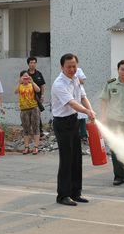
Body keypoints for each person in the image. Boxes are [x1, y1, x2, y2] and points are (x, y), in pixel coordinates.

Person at [51, 54, 96, 206]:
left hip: (74, 120)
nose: (72, 69)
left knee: (77, 158)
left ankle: (76, 192)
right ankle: (63, 195)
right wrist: (87, 112)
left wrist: (90, 109)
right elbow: (71, 102)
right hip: (62, 123)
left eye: (74, 66)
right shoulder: (59, 84)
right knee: (66, 160)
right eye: (68, 67)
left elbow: (83, 97)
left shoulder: (76, 78)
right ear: (62, 67)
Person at [15, 70, 41, 155]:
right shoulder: (20, 86)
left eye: (27, 76)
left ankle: (36, 147)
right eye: (24, 76)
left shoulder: (31, 84)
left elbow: (38, 90)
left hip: (34, 108)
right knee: (26, 129)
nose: (26, 78)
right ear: (21, 78)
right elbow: (15, 92)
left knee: (35, 128)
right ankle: (26, 147)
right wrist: (19, 82)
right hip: (24, 109)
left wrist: (32, 82)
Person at [26, 57, 46, 136]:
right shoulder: (25, 74)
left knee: (37, 114)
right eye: (31, 62)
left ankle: (39, 130)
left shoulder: (39, 73)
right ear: (28, 64)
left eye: (34, 62)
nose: (33, 64)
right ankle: (29, 131)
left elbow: (42, 85)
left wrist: (43, 95)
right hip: (27, 98)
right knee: (28, 114)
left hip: (37, 97)